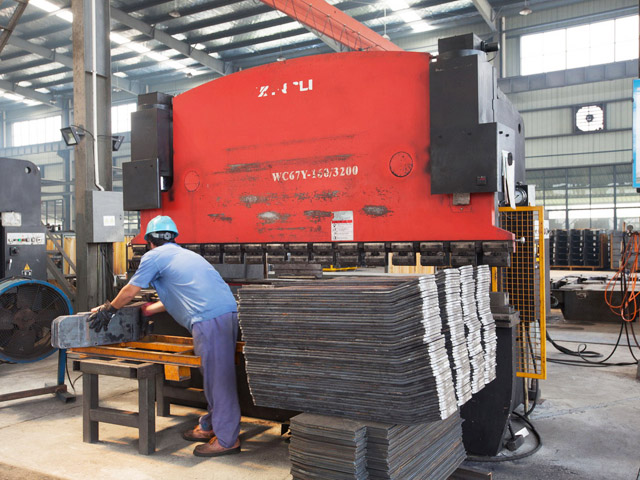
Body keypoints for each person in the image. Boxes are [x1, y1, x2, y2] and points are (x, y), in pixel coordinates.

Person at [89, 215, 241, 457]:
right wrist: (147, 310)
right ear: (173, 238)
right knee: (214, 375)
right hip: (222, 315)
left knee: (219, 379)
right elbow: (180, 295)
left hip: (209, 319)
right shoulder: (185, 255)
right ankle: (210, 425)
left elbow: (129, 291)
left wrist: (109, 310)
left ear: (149, 241)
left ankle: (227, 440)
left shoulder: (154, 256)